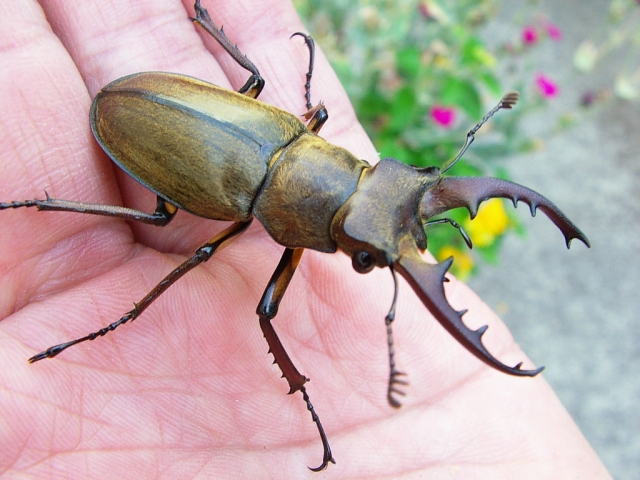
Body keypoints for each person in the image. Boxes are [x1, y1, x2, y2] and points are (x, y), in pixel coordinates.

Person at [0, 1, 611, 477]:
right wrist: (125, 315)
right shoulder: (257, 195)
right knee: (172, 228)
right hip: (137, 123)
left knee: (252, 85)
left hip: (190, 114)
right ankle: (45, 206)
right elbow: (263, 310)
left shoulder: (299, 125)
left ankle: (43, 206)